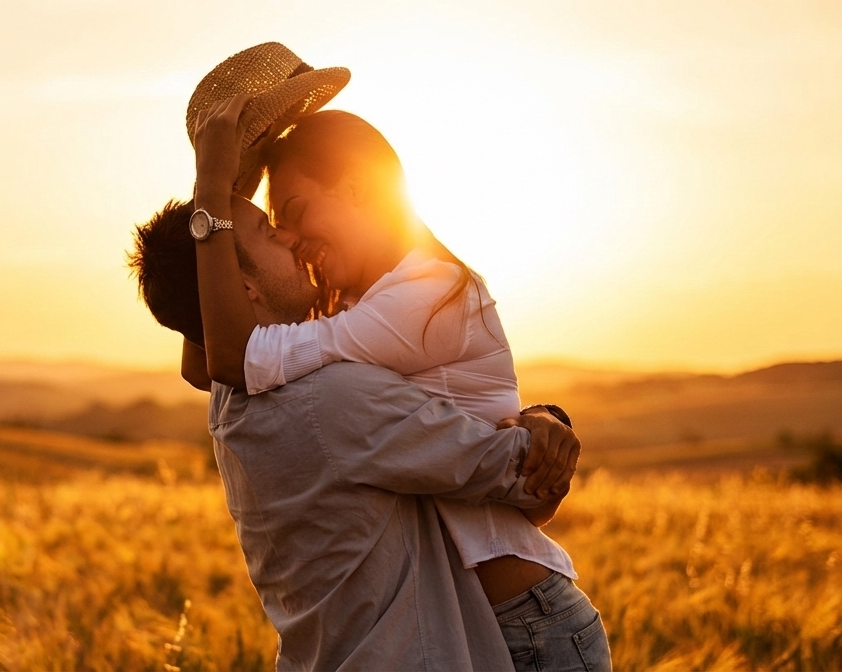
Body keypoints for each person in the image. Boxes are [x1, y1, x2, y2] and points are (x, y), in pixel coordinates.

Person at [187, 87, 610, 671]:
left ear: (357, 189)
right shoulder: (362, 304)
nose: (290, 237)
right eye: (278, 226)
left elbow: (232, 356)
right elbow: (205, 360)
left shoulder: (423, 296)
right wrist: (231, 212)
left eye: (296, 211)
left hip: (528, 623)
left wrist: (214, 192)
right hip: (484, 624)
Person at [129, 194, 583, 670]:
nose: (286, 237)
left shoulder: (226, 399)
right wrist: (547, 419)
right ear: (244, 289)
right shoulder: (332, 398)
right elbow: (526, 478)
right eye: (268, 231)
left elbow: (203, 339)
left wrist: (218, 192)